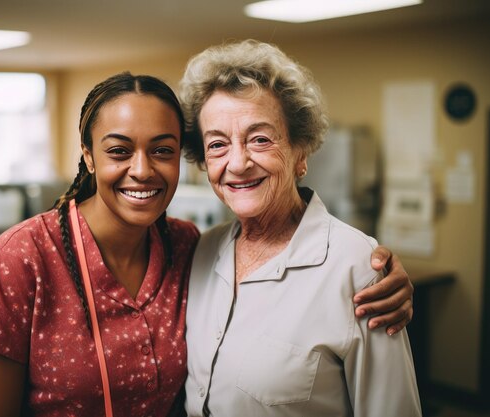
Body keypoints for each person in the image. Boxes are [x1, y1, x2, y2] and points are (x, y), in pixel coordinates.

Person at [0, 71, 412, 417]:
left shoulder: (185, 247)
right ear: (88, 156)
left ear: (301, 153)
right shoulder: (23, 257)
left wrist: (380, 271)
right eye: (117, 151)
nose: (142, 170)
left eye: (162, 150)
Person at [179, 40, 422, 416]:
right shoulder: (202, 251)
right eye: (217, 145)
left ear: (300, 152)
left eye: (260, 139)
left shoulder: (357, 268)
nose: (238, 162)